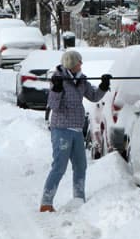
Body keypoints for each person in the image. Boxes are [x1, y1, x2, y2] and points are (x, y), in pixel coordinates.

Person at [40, 50, 111, 212]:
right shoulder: (58, 79)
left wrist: (103, 85)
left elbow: (93, 96)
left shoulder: (81, 80)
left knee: (80, 165)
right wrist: (57, 89)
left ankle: (79, 198)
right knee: (59, 166)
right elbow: (54, 106)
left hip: (77, 130)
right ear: (72, 64)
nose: (82, 64)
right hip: (62, 130)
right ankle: (46, 202)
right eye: (79, 62)